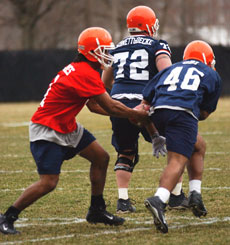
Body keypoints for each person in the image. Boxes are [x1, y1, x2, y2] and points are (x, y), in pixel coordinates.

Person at [0, 27, 151, 235]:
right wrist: (138, 115)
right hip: (48, 128)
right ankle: (7, 216)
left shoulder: (83, 69)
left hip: (66, 124)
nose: (108, 55)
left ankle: (96, 210)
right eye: (104, 50)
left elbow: (94, 106)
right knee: (48, 182)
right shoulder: (85, 73)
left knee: (101, 158)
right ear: (92, 51)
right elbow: (109, 106)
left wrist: (126, 115)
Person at [102, 5, 188, 213]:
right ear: (148, 24)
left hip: (119, 104)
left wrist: (123, 96)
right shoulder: (157, 44)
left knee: (126, 151)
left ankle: (123, 201)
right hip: (146, 104)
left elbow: (105, 81)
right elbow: (166, 73)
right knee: (175, 148)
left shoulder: (119, 46)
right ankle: (176, 196)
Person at [142, 40, 222, 233]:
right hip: (181, 113)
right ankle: (159, 199)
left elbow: (146, 100)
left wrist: (153, 132)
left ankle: (195, 195)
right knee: (177, 160)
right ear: (208, 59)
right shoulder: (211, 74)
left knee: (198, 145)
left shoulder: (171, 68)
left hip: (158, 113)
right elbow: (204, 113)